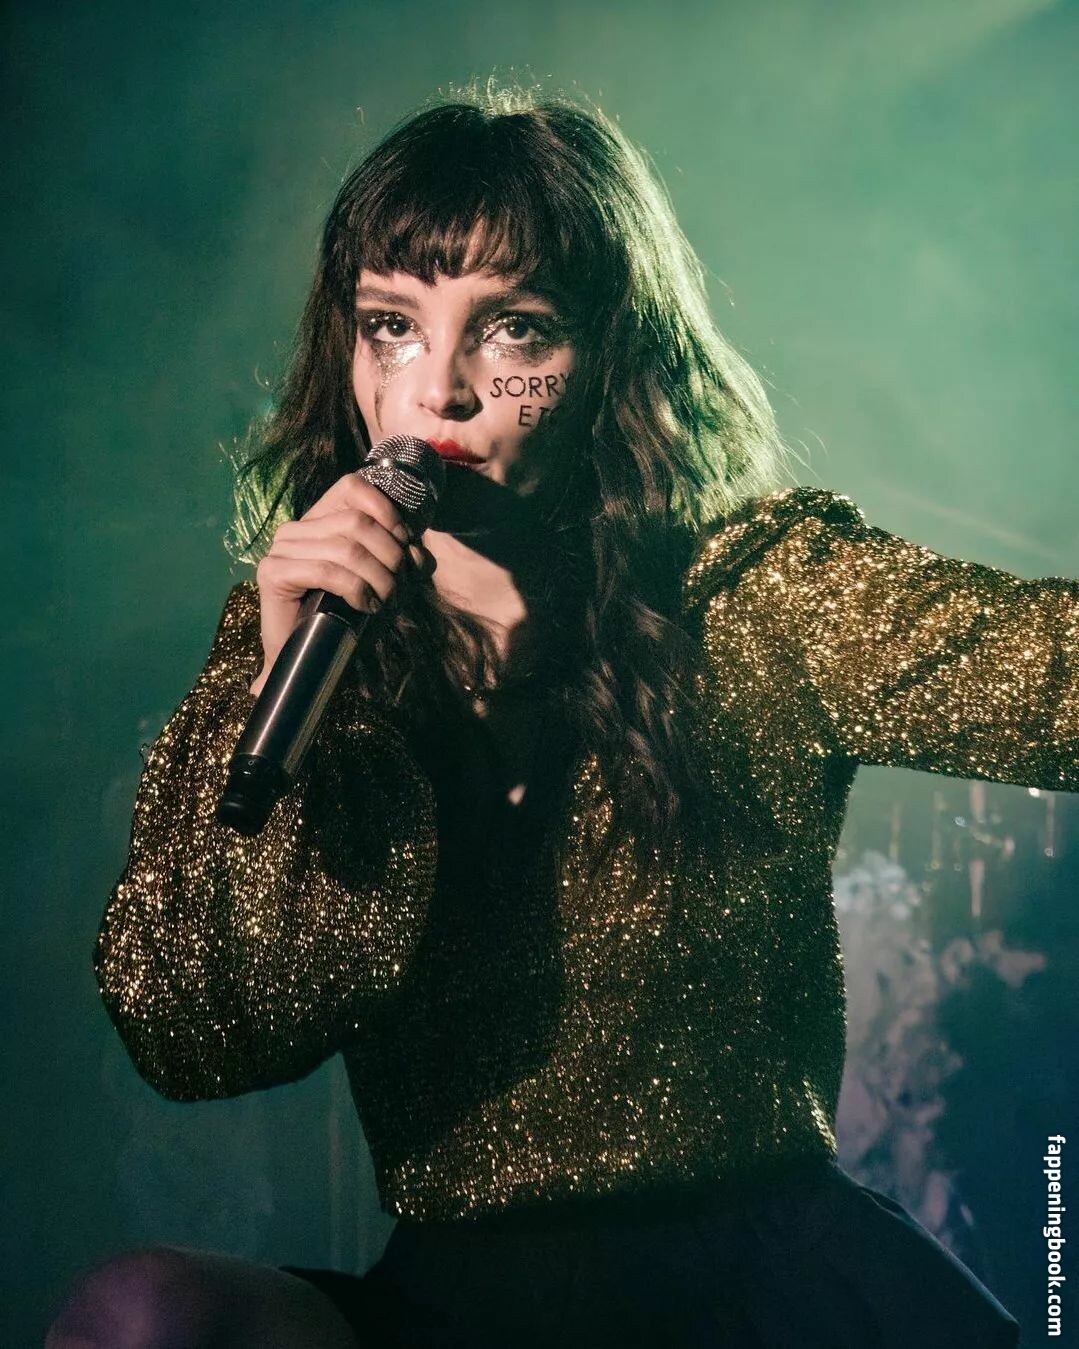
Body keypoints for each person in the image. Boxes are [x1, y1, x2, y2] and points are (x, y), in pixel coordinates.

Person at [46, 80, 1073, 1349]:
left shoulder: (751, 599)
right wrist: (287, 702)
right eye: (391, 326)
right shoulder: (301, 639)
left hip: (765, 1281)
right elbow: (193, 1032)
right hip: (468, 1295)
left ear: (608, 360)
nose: (438, 389)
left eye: (513, 330)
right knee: (141, 1311)